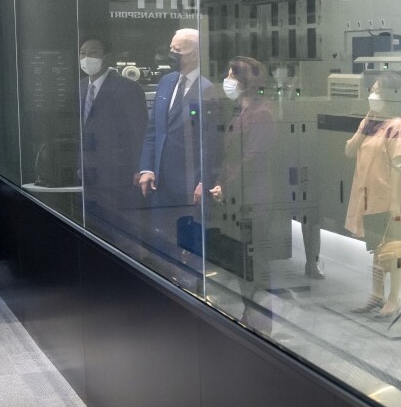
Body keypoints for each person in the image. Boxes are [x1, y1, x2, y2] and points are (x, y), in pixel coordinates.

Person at [137, 28, 215, 281]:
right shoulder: (166, 82)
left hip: (188, 182)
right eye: (171, 47)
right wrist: (147, 167)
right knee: (161, 239)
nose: (170, 53)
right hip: (160, 180)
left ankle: (190, 287)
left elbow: (211, 143)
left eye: (177, 50)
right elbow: (154, 130)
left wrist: (205, 180)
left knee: (189, 244)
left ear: (194, 54)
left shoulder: (207, 90)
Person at [208, 56, 279, 331]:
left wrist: (225, 186)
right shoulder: (240, 111)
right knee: (242, 262)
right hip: (238, 197)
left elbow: (253, 158)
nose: (227, 81)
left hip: (254, 198)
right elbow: (231, 158)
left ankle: (262, 323)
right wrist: (219, 183)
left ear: (246, 81)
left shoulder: (262, 114)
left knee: (255, 263)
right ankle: (251, 317)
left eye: (231, 75)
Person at [344, 73, 401, 317]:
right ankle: (376, 295)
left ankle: (394, 298)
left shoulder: (397, 126)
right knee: (376, 247)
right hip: (368, 196)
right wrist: (364, 127)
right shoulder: (370, 122)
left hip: (386, 196)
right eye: (372, 90)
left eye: (379, 92)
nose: (373, 96)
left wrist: (396, 202)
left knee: (392, 250)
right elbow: (349, 150)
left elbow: (399, 166)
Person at [77, 37, 147, 234]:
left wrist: (139, 169)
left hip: (118, 175)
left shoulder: (128, 88)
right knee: (92, 228)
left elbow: (139, 132)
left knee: (118, 230)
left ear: (106, 57)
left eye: (92, 53)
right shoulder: (82, 86)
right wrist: (79, 164)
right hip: (89, 174)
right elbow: (82, 130)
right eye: (83, 53)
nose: (86, 57)